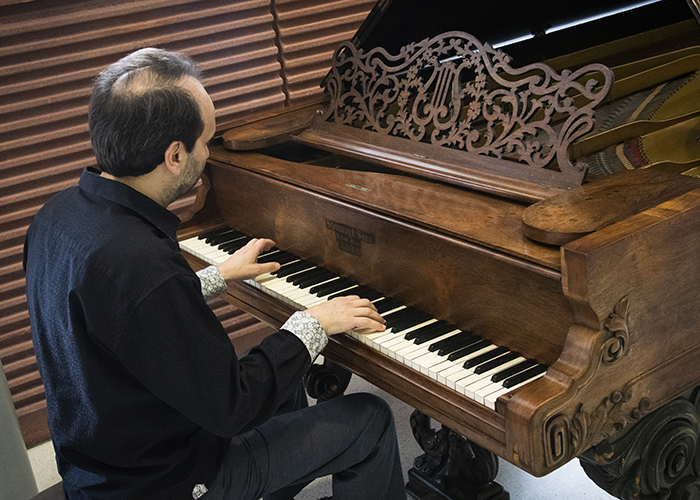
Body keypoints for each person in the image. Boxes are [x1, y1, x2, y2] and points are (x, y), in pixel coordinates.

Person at [23, 47, 406, 500]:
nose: (210, 152)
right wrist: (313, 324)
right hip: (165, 481)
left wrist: (218, 275)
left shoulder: (58, 215)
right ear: (174, 156)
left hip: (101, 458)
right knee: (370, 419)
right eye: (206, 140)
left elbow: (124, 319)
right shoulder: (141, 262)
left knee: (285, 387)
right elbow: (232, 407)